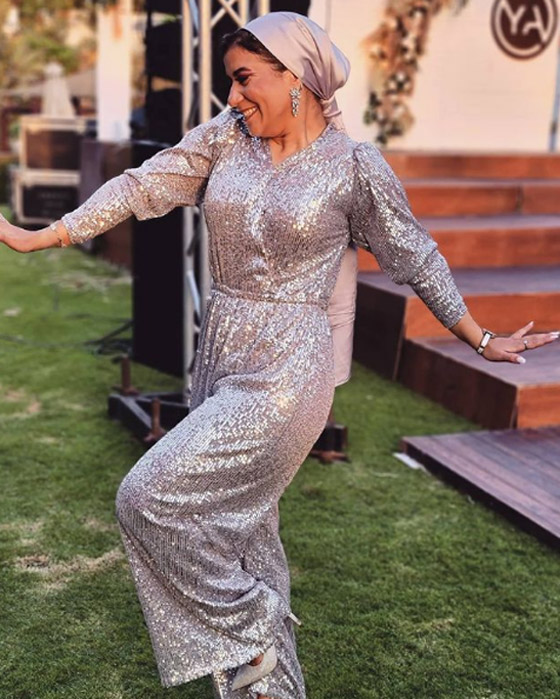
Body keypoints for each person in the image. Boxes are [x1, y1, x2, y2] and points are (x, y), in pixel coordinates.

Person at [0, 11, 557, 699]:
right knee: (244, 535)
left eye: (243, 79)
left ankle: (253, 623)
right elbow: (143, 184)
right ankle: (271, 690)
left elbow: (416, 255)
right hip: (220, 354)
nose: (233, 97)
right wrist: (46, 234)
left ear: (295, 77)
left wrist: (480, 337)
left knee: (147, 497)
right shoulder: (225, 138)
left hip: (290, 369)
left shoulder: (354, 167)